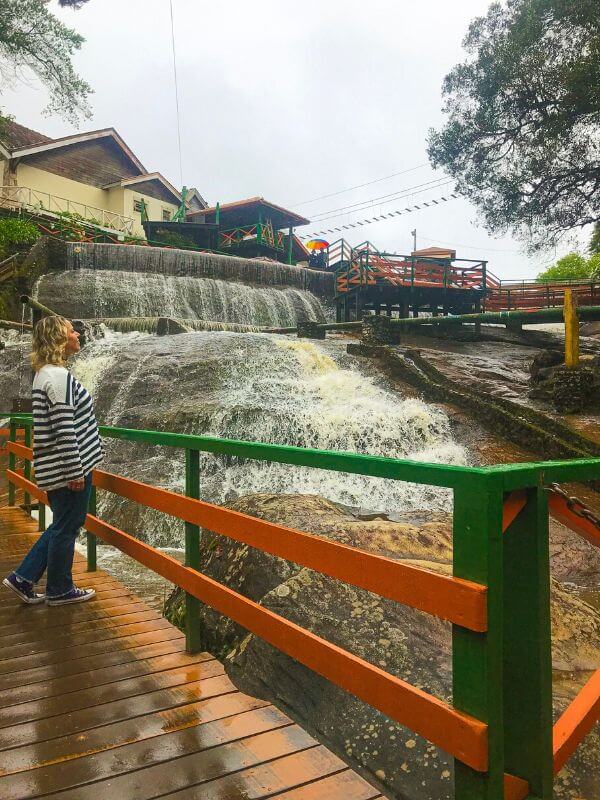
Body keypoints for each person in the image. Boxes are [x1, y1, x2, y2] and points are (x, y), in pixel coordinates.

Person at [2, 316, 104, 606]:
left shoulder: (46, 373)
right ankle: (59, 589)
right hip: (69, 468)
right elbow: (63, 427)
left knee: (62, 523)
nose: (78, 334)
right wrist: (74, 470)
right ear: (60, 338)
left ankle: (23, 578)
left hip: (56, 466)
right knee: (67, 527)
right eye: (72, 331)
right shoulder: (57, 377)